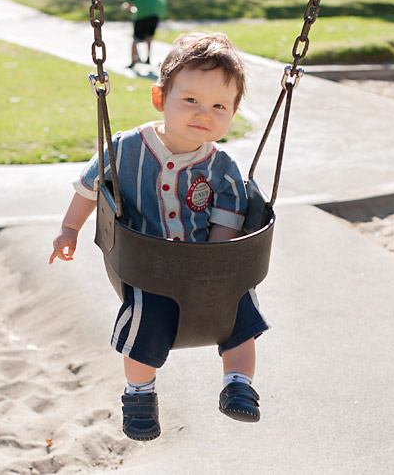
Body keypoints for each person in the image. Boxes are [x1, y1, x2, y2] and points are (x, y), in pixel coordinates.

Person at [49, 31, 269, 441]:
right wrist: (68, 230)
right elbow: (88, 189)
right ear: (159, 98)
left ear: (233, 113)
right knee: (143, 326)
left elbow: (228, 221)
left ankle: (237, 383)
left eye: (219, 106)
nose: (204, 113)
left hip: (206, 267)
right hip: (148, 267)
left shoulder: (222, 167)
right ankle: (139, 394)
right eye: (191, 100)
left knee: (241, 311)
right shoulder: (125, 149)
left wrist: (215, 267)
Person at [121, 0, 166, 69]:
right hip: (156, 13)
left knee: (136, 39)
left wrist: (125, 8)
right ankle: (148, 58)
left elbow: (129, 3)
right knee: (148, 37)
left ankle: (133, 60)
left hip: (142, 14)